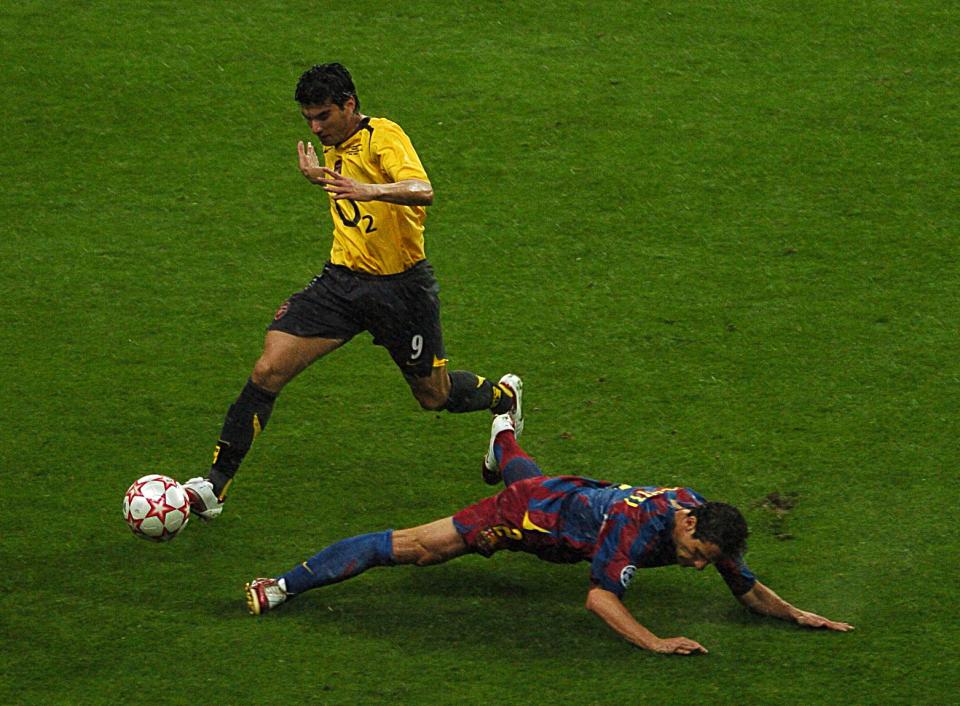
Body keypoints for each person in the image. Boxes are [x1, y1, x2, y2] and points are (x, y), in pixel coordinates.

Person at [183, 63, 520, 518]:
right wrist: (321, 179)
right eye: (308, 119)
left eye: (323, 116)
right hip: (340, 284)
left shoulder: (384, 136)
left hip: (402, 290)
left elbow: (424, 190)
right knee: (267, 371)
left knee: (433, 396)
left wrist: (368, 189)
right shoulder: (333, 146)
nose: (316, 128)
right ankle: (214, 486)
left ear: (350, 105)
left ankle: (504, 398)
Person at [243, 414, 854, 655]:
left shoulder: (707, 522)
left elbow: (742, 583)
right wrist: (655, 641)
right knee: (415, 549)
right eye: (695, 555)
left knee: (532, 475)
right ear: (686, 524)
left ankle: (503, 424)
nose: (698, 567)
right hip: (527, 519)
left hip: (569, 495)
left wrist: (798, 614)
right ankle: (281, 586)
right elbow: (599, 598)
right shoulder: (636, 532)